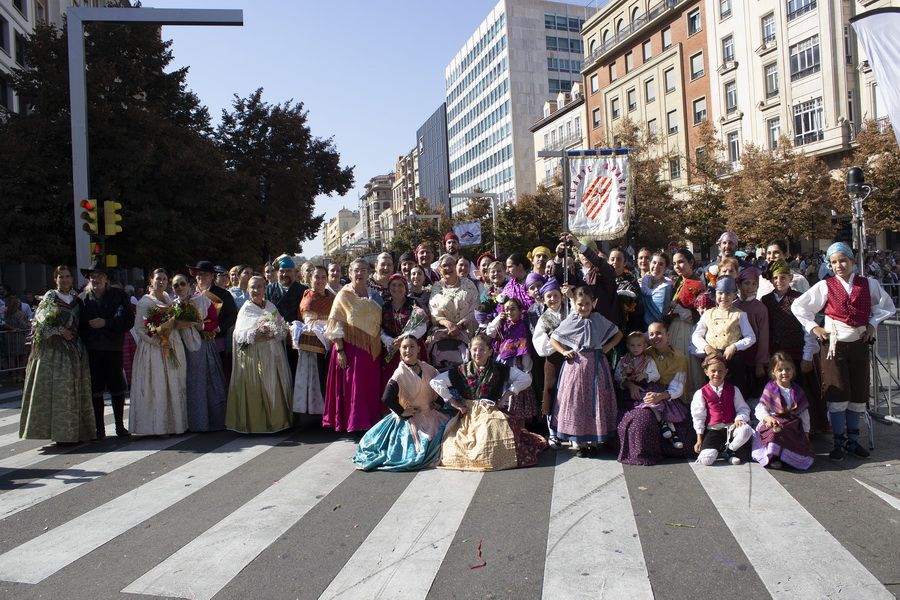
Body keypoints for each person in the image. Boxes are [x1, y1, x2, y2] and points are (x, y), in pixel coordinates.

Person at [792, 241, 896, 460]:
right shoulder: (825, 286)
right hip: (834, 347)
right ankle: (838, 442)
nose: (839, 265)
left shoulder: (868, 284)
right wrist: (815, 327)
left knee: (858, 393)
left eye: (842, 260)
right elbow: (799, 306)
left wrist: (872, 324)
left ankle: (853, 441)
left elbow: (886, 306)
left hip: (858, 344)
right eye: (834, 262)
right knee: (837, 392)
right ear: (829, 264)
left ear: (851, 261)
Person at [431, 333, 547, 470]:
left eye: (481, 350)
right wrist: (454, 402)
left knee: (490, 428)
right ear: (469, 350)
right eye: (474, 349)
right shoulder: (460, 371)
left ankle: (497, 457)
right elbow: (435, 382)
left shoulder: (499, 369)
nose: (477, 353)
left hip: (491, 410)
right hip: (469, 414)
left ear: (490, 352)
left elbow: (526, 379)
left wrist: (506, 395)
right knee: (456, 445)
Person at [19, 266, 95, 444]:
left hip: (74, 349)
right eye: (61, 277)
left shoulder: (78, 298)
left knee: (74, 391)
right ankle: (61, 433)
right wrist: (60, 330)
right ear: (56, 279)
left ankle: (77, 430)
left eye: (68, 276)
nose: (65, 280)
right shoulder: (50, 296)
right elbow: (40, 321)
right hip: (54, 350)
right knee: (59, 392)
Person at [353, 336, 450, 471]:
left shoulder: (428, 368)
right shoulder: (399, 373)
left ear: (418, 349)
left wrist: (438, 403)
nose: (408, 350)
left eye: (412, 347)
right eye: (404, 347)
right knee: (418, 449)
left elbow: (440, 386)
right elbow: (387, 398)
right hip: (412, 420)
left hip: (431, 415)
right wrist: (403, 412)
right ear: (399, 350)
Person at [550, 286, 623, 457]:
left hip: (597, 364)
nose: (584, 308)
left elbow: (618, 334)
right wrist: (564, 351)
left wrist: (607, 347)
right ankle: (580, 442)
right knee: (578, 401)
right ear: (574, 303)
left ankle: (595, 442)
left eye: (587, 304)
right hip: (576, 366)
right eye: (580, 304)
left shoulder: (598, 319)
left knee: (596, 400)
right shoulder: (571, 320)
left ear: (593, 303)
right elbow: (554, 338)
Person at [760, 258, 826, 431]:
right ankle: (780, 426)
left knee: (802, 392)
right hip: (776, 356)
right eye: (775, 278)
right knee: (777, 391)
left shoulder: (799, 298)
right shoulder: (765, 300)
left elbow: (808, 328)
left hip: (797, 352)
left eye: (783, 278)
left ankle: (808, 428)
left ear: (790, 279)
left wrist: (807, 356)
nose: (779, 281)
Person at [618, 321, 695, 465]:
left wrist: (660, 396)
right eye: (652, 334)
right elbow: (624, 375)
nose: (655, 337)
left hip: (668, 398)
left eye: (659, 333)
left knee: (682, 436)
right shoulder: (643, 352)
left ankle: (669, 438)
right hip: (642, 395)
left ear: (667, 335)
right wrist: (630, 385)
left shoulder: (680, 358)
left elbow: (677, 387)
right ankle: (641, 453)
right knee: (641, 419)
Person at [324, 259, 385, 432]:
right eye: (356, 271)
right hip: (351, 349)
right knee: (355, 388)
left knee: (371, 387)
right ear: (349, 273)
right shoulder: (343, 295)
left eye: (363, 270)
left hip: (372, 349)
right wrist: (341, 350)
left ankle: (371, 422)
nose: (360, 274)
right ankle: (356, 424)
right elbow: (335, 324)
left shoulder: (375, 295)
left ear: (368, 273)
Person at [226, 275, 293, 433]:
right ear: (248, 289)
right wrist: (257, 333)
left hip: (273, 356)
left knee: (274, 387)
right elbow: (238, 334)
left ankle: (278, 421)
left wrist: (276, 332)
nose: (256, 290)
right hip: (255, 357)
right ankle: (259, 424)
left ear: (265, 288)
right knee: (258, 389)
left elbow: (282, 326)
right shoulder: (246, 309)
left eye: (259, 287)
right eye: (252, 287)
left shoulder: (270, 306)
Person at [79, 260, 134, 439]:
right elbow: (79, 325)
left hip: (113, 348)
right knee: (95, 389)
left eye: (100, 276)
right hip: (92, 349)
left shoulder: (118, 295)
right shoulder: (82, 299)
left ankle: (119, 425)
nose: (96, 279)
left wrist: (106, 323)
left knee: (117, 387)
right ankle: (99, 428)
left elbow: (127, 320)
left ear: (106, 278)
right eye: (93, 277)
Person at [130, 268, 188, 436]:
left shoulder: (168, 298)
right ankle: (156, 426)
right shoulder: (145, 302)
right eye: (158, 279)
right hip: (153, 350)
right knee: (157, 386)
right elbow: (140, 329)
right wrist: (158, 341)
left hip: (171, 344)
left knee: (172, 385)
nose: (161, 282)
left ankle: (172, 424)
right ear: (151, 281)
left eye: (164, 279)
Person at [173, 273, 226, 432]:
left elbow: (215, 322)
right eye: (176, 285)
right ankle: (184, 422)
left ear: (189, 285)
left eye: (182, 284)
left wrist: (201, 326)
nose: (179, 288)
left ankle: (203, 422)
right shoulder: (172, 304)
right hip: (179, 347)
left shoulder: (202, 300)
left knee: (201, 384)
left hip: (200, 347)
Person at [751, 352, 815, 470]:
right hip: (772, 421)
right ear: (773, 372)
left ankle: (788, 459)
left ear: (793, 371)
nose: (784, 372)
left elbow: (804, 413)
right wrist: (767, 418)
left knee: (792, 435)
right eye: (780, 370)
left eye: (787, 369)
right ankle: (774, 457)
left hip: (791, 423)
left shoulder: (797, 390)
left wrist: (806, 432)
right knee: (777, 431)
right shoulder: (770, 388)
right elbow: (760, 408)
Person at [690, 276, 756, 389]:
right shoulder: (708, 314)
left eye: (728, 294)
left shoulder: (740, 314)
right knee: (714, 387)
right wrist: (706, 347)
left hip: (732, 358)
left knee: (734, 387)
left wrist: (734, 346)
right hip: (712, 358)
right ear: (715, 293)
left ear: (735, 295)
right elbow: (696, 335)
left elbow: (751, 337)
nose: (724, 297)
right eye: (720, 293)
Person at [691, 353, 754, 466]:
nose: (717, 374)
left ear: (726, 371)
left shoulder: (733, 389)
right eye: (713, 371)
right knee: (706, 460)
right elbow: (698, 416)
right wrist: (699, 439)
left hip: (731, 430)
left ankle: (729, 450)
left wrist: (739, 419)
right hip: (713, 430)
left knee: (746, 429)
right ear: (706, 372)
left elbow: (743, 408)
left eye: (720, 371)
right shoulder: (701, 393)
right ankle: (722, 450)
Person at [291, 265, 335, 424]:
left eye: (324, 277)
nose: (320, 280)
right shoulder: (309, 298)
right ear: (310, 279)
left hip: (330, 341)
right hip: (314, 344)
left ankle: (329, 412)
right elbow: (310, 322)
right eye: (317, 277)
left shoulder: (331, 297)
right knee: (316, 378)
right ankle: (317, 413)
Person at [553, 232, 621, 329]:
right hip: (579, 323)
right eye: (580, 252)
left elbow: (598, 262)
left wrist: (579, 245)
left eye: (588, 251)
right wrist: (559, 257)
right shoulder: (575, 271)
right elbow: (557, 278)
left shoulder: (603, 270)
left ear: (596, 252)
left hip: (601, 324)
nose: (584, 255)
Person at [485, 297, 536, 420]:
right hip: (501, 362)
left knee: (514, 398)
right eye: (506, 310)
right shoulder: (503, 325)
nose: (509, 312)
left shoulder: (522, 327)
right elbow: (489, 332)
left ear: (520, 311)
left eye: (513, 309)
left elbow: (525, 351)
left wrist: (527, 370)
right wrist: (498, 318)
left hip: (516, 364)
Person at [427, 253, 478, 371]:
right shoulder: (437, 287)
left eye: (451, 265)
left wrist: (459, 326)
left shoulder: (468, 284)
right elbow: (434, 311)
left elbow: (475, 307)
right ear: (440, 269)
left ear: (455, 266)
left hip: (466, 331)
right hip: (443, 332)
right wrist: (448, 324)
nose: (448, 268)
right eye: (444, 266)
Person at [666, 248, 706, 399]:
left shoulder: (697, 284)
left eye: (681, 262)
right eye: (675, 263)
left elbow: (702, 311)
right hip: (675, 326)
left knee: (688, 362)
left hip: (688, 328)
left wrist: (686, 313)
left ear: (691, 262)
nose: (677, 266)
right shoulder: (679, 282)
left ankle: (690, 398)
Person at [190, 260, 238, 379]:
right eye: (199, 274)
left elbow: (232, 315)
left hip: (216, 340)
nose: (202, 277)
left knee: (216, 375)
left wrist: (218, 327)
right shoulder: (190, 294)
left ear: (212, 276)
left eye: (205, 274)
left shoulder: (223, 294)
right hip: (193, 341)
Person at [532, 278, 565, 447]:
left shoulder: (570, 312)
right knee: (551, 392)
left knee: (569, 393)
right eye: (549, 296)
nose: (553, 299)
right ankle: (553, 432)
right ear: (544, 300)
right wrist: (557, 344)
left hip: (571, 359)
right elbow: (539, 345)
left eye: (555, 295)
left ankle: (569, 429)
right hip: (553, 359)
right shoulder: (543, 319)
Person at [380, 274, 428, 388]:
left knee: (414, 384)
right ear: (389, 288)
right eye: (394, 285)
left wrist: (405, 338)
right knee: (393, 385)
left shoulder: (413, 304)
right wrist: (388, 340)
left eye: (400, 285)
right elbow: (380, 328)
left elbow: (422, 326)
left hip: (411, 348)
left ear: (405, 287)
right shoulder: (385, 306)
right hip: (392, 349)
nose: (397, 288)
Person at [265, 255, 307, 379]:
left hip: (297, 340)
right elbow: (265, 312)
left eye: (288, 271)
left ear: (294, 272)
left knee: (296, 374)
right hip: (275, 340)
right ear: (277, 272)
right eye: (282, 271)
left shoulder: (303, 290)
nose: (284, 274)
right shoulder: (269, 290)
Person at [734, 267, 770, 398]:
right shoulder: (734, 306)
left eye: (754, 283)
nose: (750, 287)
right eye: (747, 283)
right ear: (739, 284)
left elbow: (764, 336)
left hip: (755, 357)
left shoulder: (760, 308)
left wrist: (760, 363)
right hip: (737, 357)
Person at [609, 247, 644, 334]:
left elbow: (638, 307)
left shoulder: (631, 282)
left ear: (625, 262)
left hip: (626, 326)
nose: (615, 262)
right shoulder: (603, 279)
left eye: (619, 259)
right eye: (612, 259)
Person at [640, 251, 672, 328]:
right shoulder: (643, 281)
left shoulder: (666, 288)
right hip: (639, 325)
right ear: (650, 263)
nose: (656, 266)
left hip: (657, 328)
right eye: (654, 262)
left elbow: (661, 313)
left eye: (661, 264)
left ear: (665, 268)